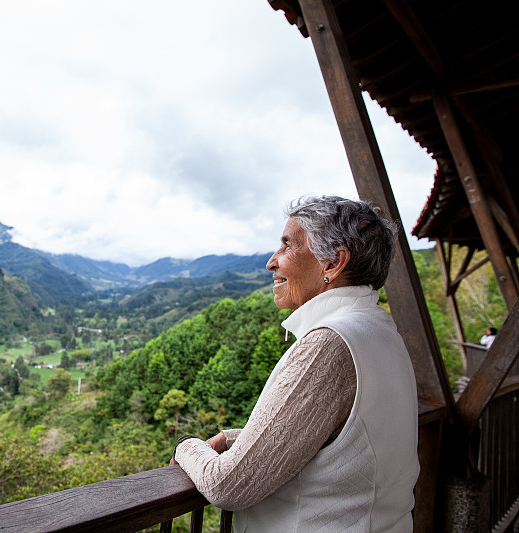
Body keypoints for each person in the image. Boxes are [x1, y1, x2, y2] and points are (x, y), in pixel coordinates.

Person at [171, 196, 420, 532]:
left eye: (287, 245)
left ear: (333, 263)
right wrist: (236, 440)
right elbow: (342, 438)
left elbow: (227, 485)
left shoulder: (328, 345)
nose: (272, 261)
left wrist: (187, 445)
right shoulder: (378, 328)